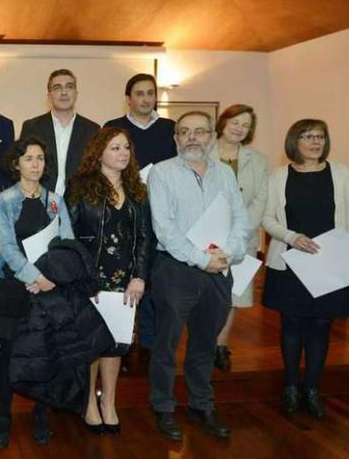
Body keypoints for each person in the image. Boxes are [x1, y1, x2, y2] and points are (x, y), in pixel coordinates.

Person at [146, 111, 250, 442]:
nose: (192, 137)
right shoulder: (161, 174)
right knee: (166, 344)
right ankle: (163, 407)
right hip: (176, 270)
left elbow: (240, 219)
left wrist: (227, 254)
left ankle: (201, 404)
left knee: (206, 343)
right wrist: (200, 259)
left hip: (219, 269)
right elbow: (164, 227)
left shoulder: (225, 175)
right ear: (175, 138)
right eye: (184, 132)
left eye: (200, 132)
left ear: (211, 137)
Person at [262, 119, 349, 419]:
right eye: (307, 136)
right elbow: (267, 218)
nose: (315, 142)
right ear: (295, 141)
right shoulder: (278, 176)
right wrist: (291, 237)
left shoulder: (341, 173)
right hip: (290, 261)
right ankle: (291, 387)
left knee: (321, 326)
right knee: (291, 325)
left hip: (331, 261)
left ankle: (312, 388)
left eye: (320, 136)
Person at [66, 126, 153, 435]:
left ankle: (109, 403)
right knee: (91, 344)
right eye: (115, 148)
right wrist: (80, 277)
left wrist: (140, 276)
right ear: (99, 152)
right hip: (90, 279)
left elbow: (145, 238)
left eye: (126, 148)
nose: (122, 153)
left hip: (126, 280)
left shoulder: (138, 188)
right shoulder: (79, 186)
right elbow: (69, 237)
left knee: (116, 343)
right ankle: (89, 402)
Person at [0, 137, 74, 448]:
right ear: (17, 163)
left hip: (47, 289)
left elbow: (66, 243)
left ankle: (40, 413)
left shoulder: (56, 201)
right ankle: (3, 416)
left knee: (44, 354)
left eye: (40, 158)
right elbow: (8, 248)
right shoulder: (4, 200)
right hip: (14, 286)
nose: (35, 164)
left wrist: (49, 277)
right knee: (9, 357)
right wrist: (34, 276)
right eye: (28, 158)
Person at [105, 73, 177, 355]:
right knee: (125, 281)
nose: (146, 99)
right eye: (139, 93)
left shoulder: (170, 128)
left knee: (155, 284)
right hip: (125, 215)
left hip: (163, 216)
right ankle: (120, 344)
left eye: (150, 93)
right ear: (129, 98)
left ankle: (149, 346)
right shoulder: (114, 128)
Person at [209, 104, 268, 371]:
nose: (239, 128)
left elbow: (260, 200)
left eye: (245, 125)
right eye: (235, 122)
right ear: (223, 122)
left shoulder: (257, 160)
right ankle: (202, 344)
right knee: (204, 295)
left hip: (242, 238)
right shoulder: (202, 150)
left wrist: (241, 231)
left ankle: (220, 345)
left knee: (232, 296)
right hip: (204, 237)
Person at [20, 68, 99, 195]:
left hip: (79, 202)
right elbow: (23, 168)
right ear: (49, 96)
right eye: (57, 88)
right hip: (39, 200)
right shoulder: (31, 127)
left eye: (69, 87)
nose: (64, 92)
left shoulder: (93, 129)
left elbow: (96, 171)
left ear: (76, 93)